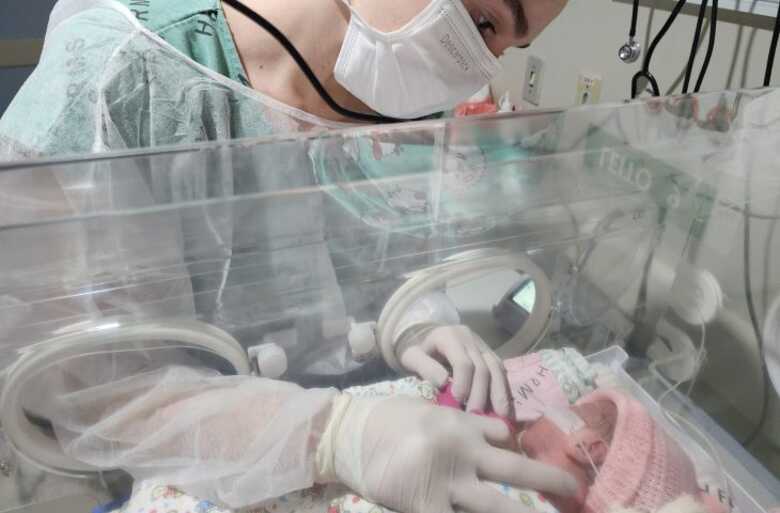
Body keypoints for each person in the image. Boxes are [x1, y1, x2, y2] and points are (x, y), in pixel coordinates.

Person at [0, 1, 573, 513]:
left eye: (510, 46)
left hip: (374, 440)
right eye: (486, 23)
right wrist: (337, 436)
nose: (484, 66)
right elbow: (91, 393)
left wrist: (415, 314)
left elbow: (381, 246)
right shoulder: (119, 74)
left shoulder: (402, 96)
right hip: (172, 467)